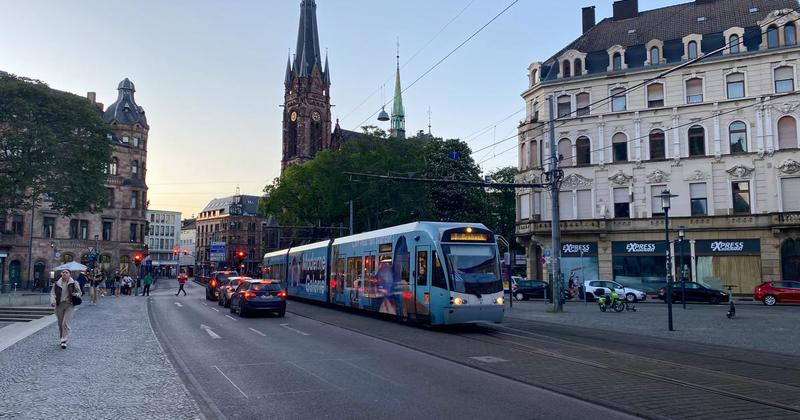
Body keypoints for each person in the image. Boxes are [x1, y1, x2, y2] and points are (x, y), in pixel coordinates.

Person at [50, 269, 82, 349]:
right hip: (59, 305)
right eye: (63, 272)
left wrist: (76, 294)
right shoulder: (57, 283)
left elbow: (80, 293)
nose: (64, 274)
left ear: (70, 274)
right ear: (61, 274)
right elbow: (52, 293)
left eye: (66, 272)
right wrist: (53, 301)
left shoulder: (74, 283)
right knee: (60, 324)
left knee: (65, 323)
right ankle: (62, 338)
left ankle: (64, 340)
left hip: (69, 305)